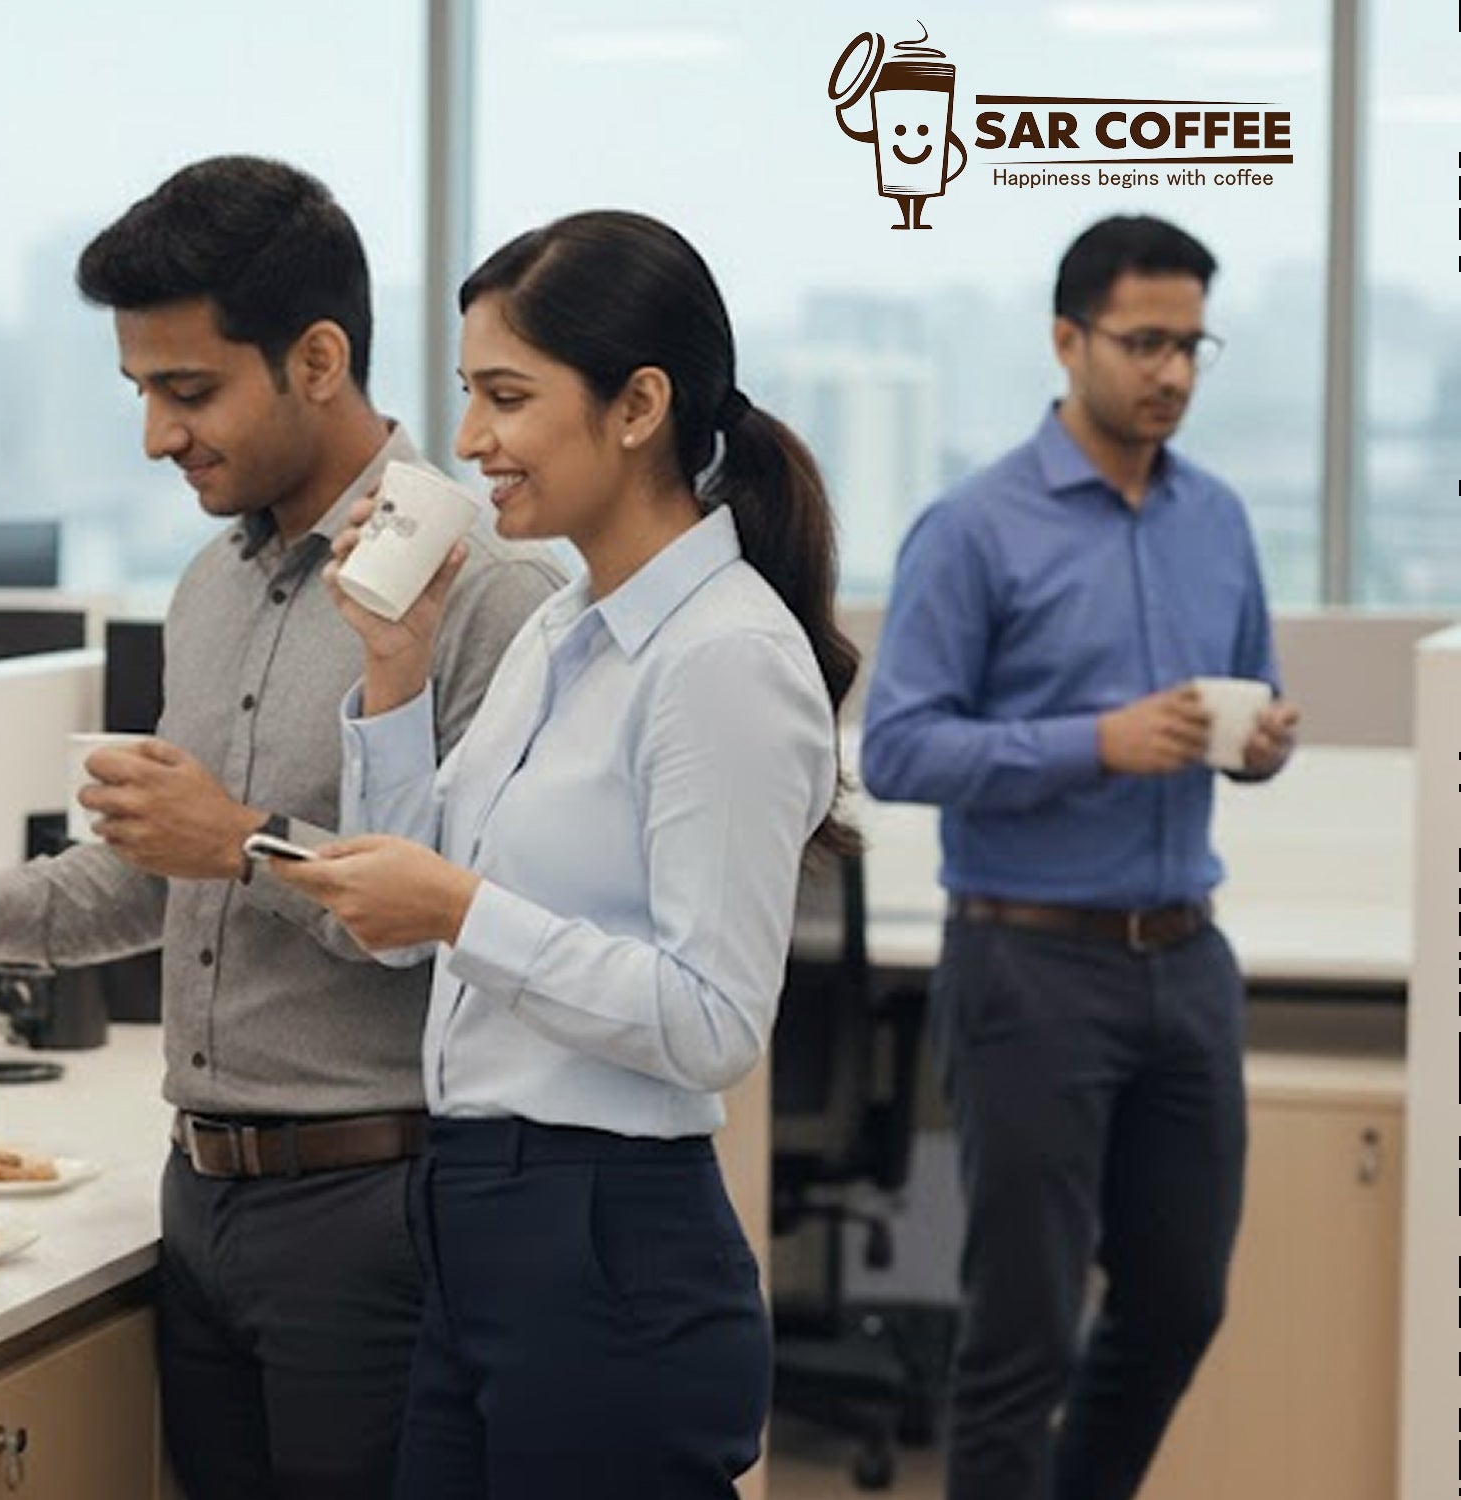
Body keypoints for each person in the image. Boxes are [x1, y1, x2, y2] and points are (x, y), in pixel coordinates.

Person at [0, 157, 561, 1498]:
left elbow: (474, 923)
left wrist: (240, 834)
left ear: (319, 359)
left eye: (187, 391)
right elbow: (159, 878)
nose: (155, 435)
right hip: (201, 1198)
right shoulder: (210, 587)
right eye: (140, 390)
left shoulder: (489, 593)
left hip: (375, 1204)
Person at [269, 209, 851, 1496]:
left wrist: (465, 909)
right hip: (479, 1216)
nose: (469, 439)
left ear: (639, 404)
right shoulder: (564, 629)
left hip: (603, 1233)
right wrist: (396, 669)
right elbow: (396, 909)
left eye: (507, 397)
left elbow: (711, 1022)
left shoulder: (723, 662)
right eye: (471, 395)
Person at [861, 215, 1298, 1500]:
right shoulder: (975, 527)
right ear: (1069, 339)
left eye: (1191, 345)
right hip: (1029, 963)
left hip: (1185, 962)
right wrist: (1094, 743)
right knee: (1022, 1336)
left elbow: (1255, 689)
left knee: (1180, 1304)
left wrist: (1259, 741)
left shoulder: (1215, 518)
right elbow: (897, 752)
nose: (1170, 371)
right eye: (1144, 341)